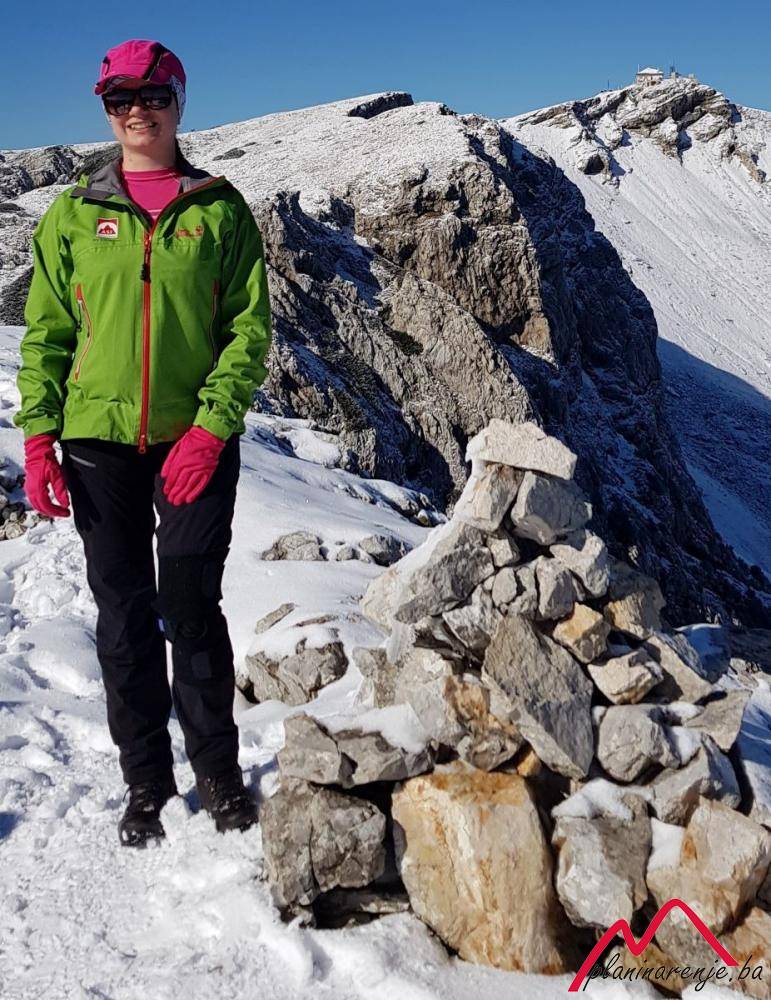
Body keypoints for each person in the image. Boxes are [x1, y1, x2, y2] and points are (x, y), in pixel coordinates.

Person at [14, 39, 273, 847]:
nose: (136, 111)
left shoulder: (220, 209)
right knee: (124, 615)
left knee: (190, 603)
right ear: (105, 109)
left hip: (192, 439)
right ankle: (146, 783)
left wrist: (211, 428)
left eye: (152, 96)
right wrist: (39, 438)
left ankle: (219, 774)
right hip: (97, 441)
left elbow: (247, 331)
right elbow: (48, 333)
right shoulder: (71, 214)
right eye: (119, 99)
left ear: (177, 102)